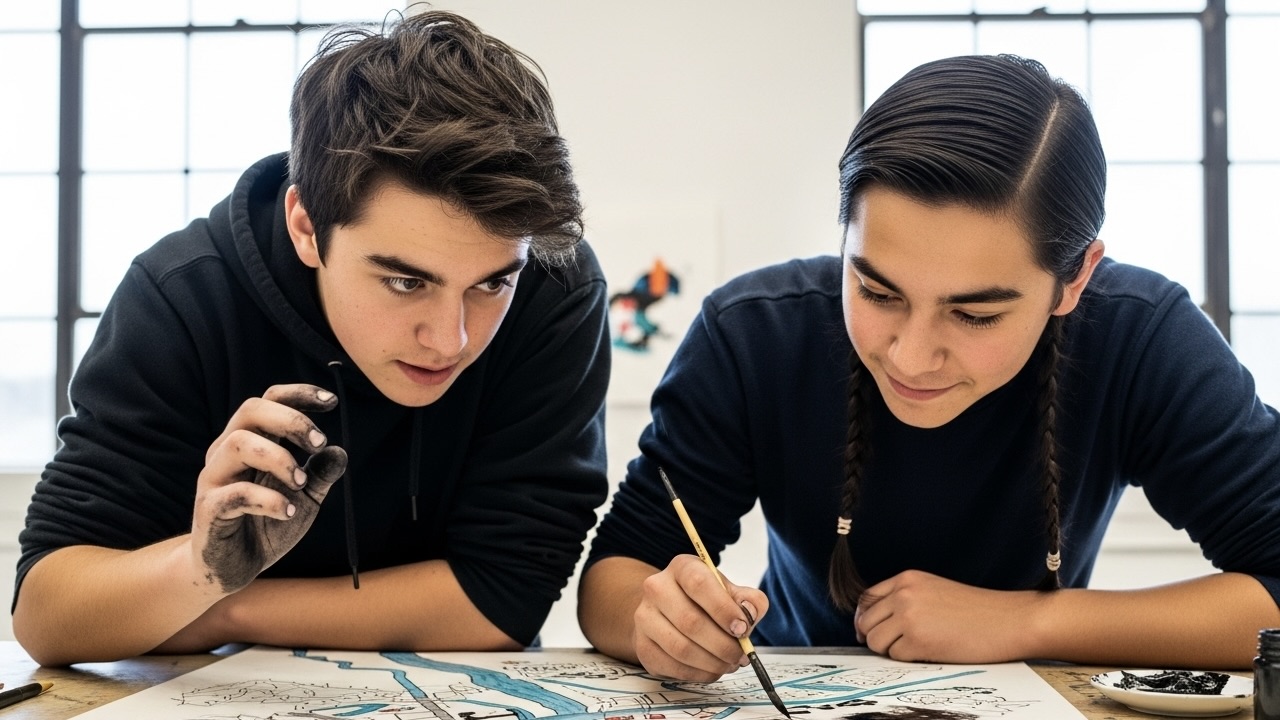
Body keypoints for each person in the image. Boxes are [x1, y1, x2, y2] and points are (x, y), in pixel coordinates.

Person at [578, 54, 1280, 679]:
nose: (911, 355)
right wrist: (660, 621)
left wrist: (1023, 623)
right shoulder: (754, 332)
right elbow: (617, 572)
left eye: (975, 315)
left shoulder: (1142, 337)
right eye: (877, 291)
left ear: (1075, 279)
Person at [14, 10, 610, 667]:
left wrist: (225, 604)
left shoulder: (555, 290)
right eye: (406, 283)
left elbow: (500, 601)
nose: (450, 340)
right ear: (306, 226)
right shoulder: (182, 298)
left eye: (491, 285)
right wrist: (200, 566)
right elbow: (46, 614)